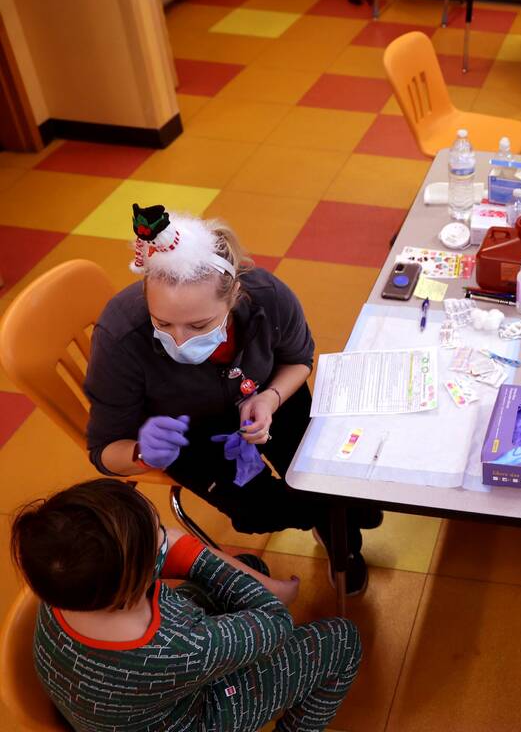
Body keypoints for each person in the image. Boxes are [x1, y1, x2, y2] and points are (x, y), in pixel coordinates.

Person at [83, 204, 380, 595]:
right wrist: (141, 451)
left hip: (265, 391)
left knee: (317, 465)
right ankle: (337, 514)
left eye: (200, 325)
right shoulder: (121, 335)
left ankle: (338, 519)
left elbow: (298, 360)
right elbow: (104, 450)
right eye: (163, 324)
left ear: (235, 295)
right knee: (261, 509)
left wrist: (271, 398)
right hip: (184, 430)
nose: (181, 340)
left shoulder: (268, 298)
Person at [10, 478, 362, 732]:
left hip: (116, 705)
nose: (167, 536)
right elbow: (277, 620)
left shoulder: (65, 588)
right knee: (343, 640)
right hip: (195, 716)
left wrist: (164, 550)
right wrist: (190, 551)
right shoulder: (183, 647)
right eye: (160, 535)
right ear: (135, 578)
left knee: (251, 570)